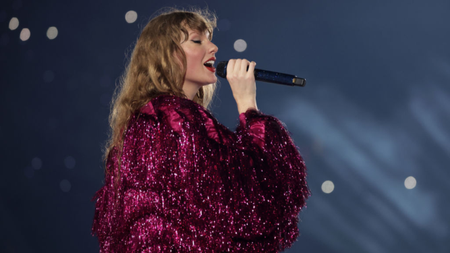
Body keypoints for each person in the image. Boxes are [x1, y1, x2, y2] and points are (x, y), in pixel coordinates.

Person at [92, 8, 309, 253]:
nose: (214, 47)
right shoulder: (175, 119)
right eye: (197, 40)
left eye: (209, 38)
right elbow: (249, 202)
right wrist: (248, 106)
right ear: (167, 55)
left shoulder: (145, 123)